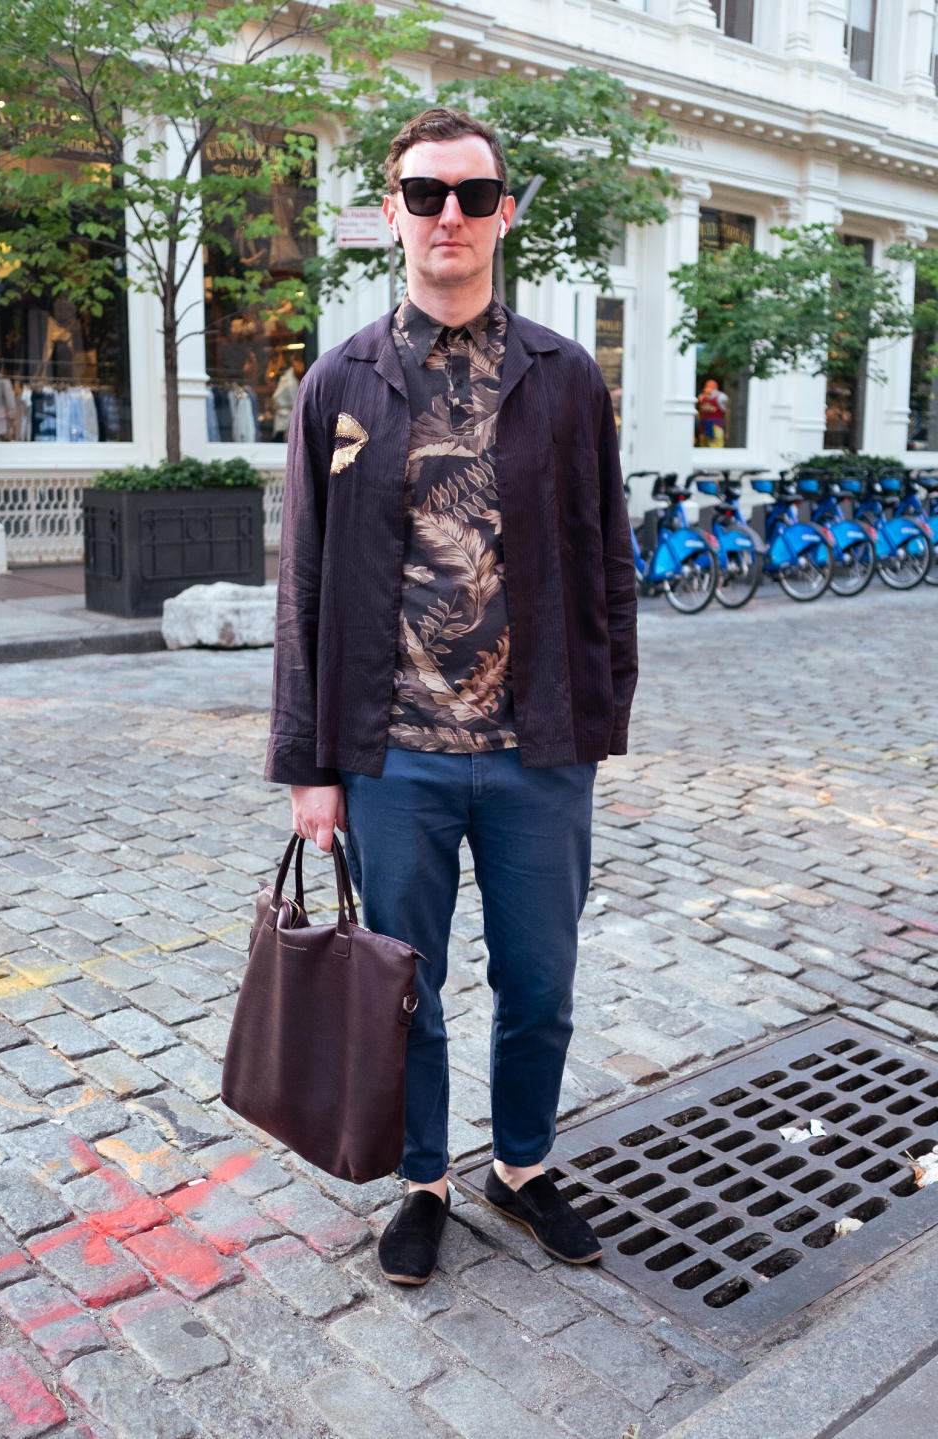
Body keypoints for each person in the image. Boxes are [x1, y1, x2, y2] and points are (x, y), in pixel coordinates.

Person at [265, 107, 638, 1285]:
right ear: (393, 214)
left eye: (473, 196)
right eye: (427, 196)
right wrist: (308, 765)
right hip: (393, 760)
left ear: (504, 212)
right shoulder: (341, 381)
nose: (451, 218)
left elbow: (607, 553)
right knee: (403, 991)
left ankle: (520, 1166)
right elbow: (307, 583)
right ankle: (424, 1178)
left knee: (540, 982)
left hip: (537, 751)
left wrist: (599, 710)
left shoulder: (565, 377)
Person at [696, 377, 728, 447]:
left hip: (716, 426)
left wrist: (726, 430)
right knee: (703, 447)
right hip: (703, 426)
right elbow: (699, 413)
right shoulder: (701, 397)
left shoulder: (721, 397)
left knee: (715, 446)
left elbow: (726, 413)